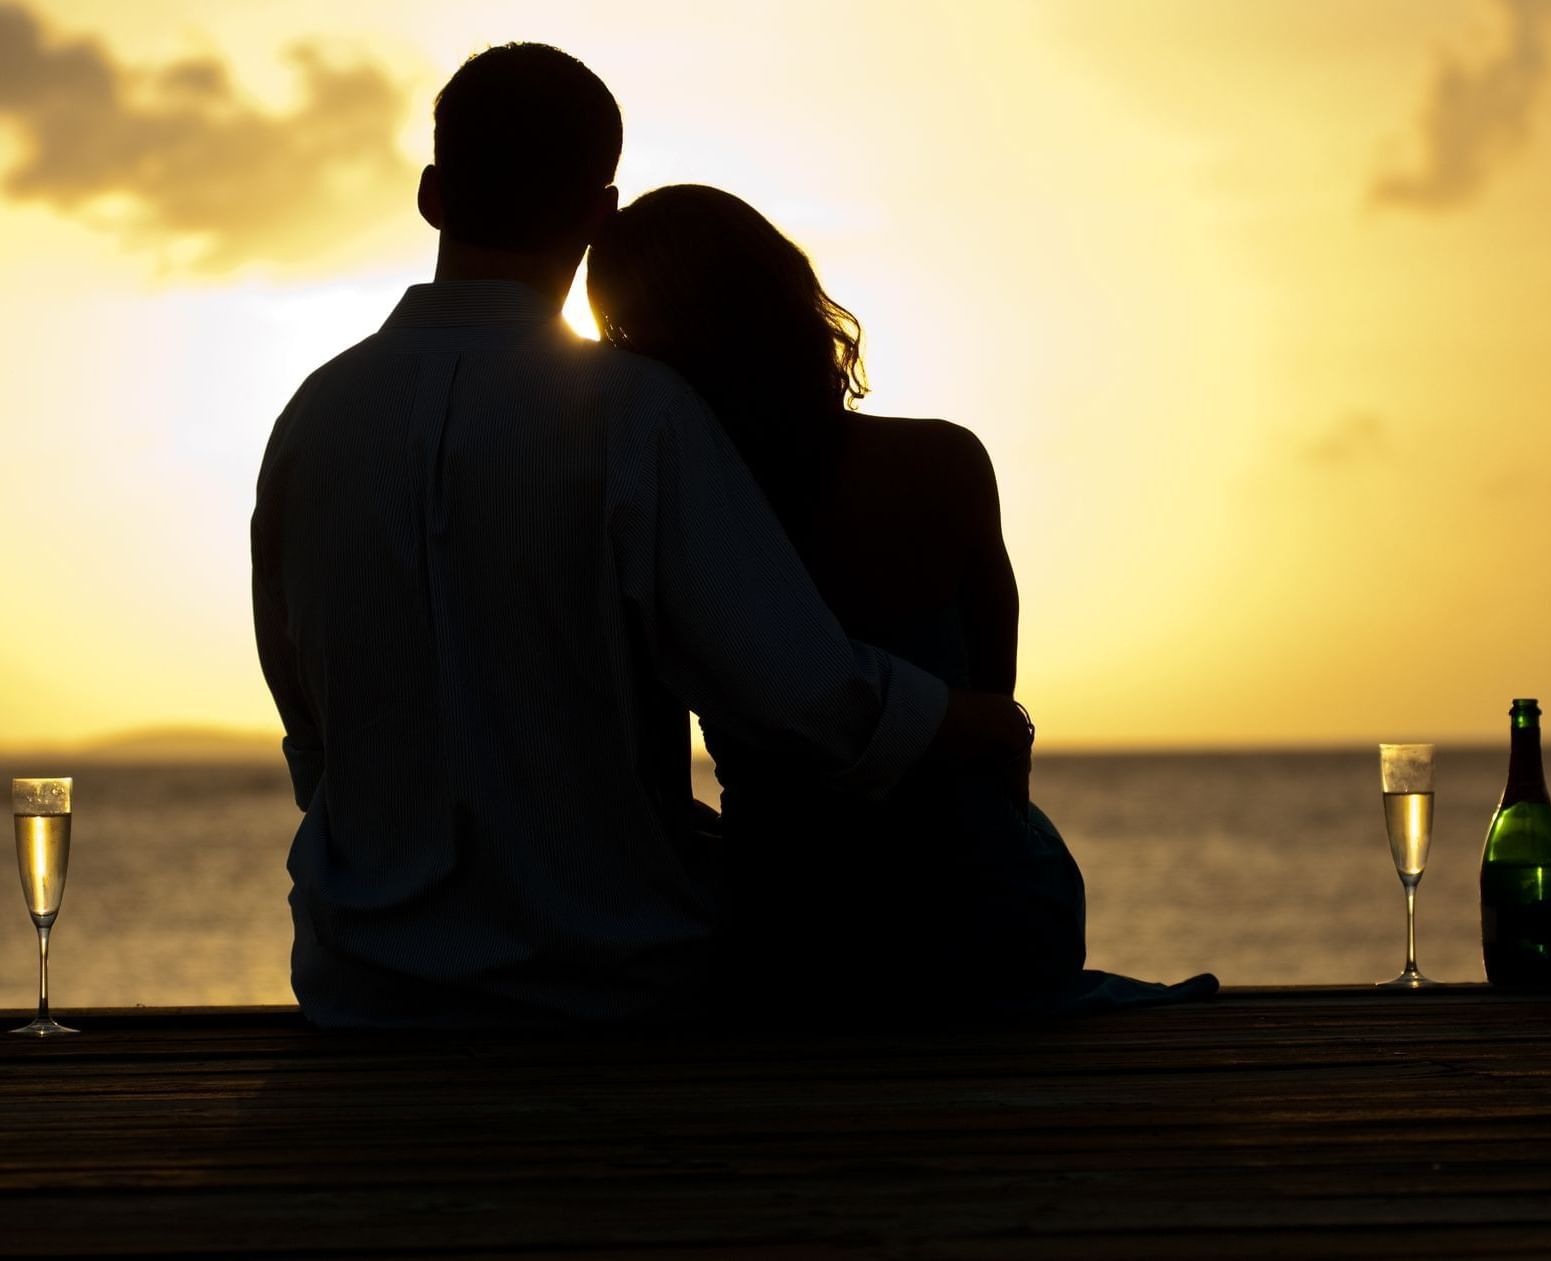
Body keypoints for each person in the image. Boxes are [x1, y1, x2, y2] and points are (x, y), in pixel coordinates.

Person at [251, 45, 1031, 1029]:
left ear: (433, 196)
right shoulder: (632, 416)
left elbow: (309, 716)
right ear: (598, 213)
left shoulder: (313, 419)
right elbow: (797, 694)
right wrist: (974, 721)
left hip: (359, 986)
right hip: (608, 985)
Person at [587, 185, 1218, 1017]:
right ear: (782, 297)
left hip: (789, 934)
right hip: (984, 915)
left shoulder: (659, 506)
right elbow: (992, 721)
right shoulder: (944, 462)